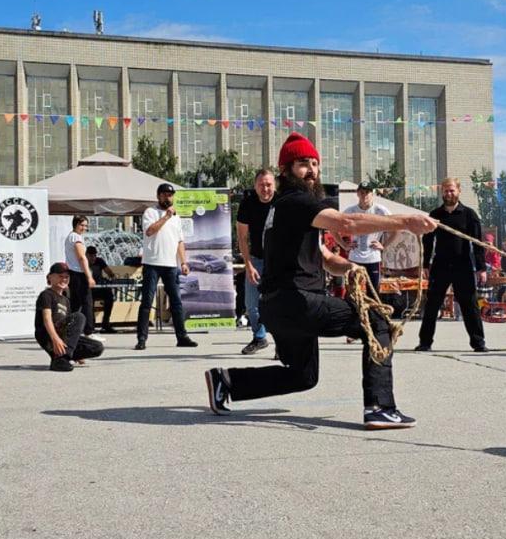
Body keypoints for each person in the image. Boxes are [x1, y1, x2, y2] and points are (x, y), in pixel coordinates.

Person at [203, 132, 437, 429]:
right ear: (286, 170)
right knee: (378, 321)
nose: (312, 170)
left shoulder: (285, 209)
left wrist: (350, 267)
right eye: (303, 163)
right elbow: (347, 222)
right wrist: (405, 222)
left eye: (315, 163)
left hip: (278, 307)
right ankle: (379, 407)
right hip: (296, 301)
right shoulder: (295, 200)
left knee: (303, 376)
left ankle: (227, 382)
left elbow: (324, 257)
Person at [415, 177, 489, 353]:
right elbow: (427, 241)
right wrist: (425, 265)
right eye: (446, 191)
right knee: (432, 305)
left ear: (459, 191)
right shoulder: (435, 215)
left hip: (462, 265)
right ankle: (425, 342)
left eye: (452, 190)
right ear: (442, 192)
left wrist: (481, 268)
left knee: (469, 305)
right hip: (440, 265)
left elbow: (478, 242)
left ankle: (478, 343)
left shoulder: (469, 215)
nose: (448, 194)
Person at [135, 183, 196, 350]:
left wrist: (183, 262)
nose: (168, 197)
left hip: (170, 264)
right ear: (158, 196)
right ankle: (142, 339)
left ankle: (182, 336)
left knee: (176, 302)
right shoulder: (150, 212)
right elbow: (149, 231)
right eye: (164, 194)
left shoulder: (176, 217)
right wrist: (166, 217)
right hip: (152, 263)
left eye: (170, 194)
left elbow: (179, 241)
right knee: (147, 301)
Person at [36, 262, 104, 372]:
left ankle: (63, 357)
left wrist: (77, 353)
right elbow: (47, 319)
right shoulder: (46, 295)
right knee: (79, 316)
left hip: (62, 335)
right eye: (60, 276)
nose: (63, 279)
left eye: (66, 277)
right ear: (50, 277)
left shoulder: (66, 300)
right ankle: (62, 359)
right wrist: (55, 339)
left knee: (97, 347)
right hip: (48, 335)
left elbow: (70, 326)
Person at [235, 168, 275, 355]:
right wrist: (248, 264)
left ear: (274, 185)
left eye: (268, 185)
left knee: (279, 303)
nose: (265, 189)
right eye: (262, 185)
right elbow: (242, 237)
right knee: (251, 303)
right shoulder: (247, 204)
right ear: (255, 186)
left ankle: (283, 344)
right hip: (257, 259)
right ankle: (259, 337)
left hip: (278, 260)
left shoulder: (282, 202)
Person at [339, 182, 394, 293]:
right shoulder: (350, 211)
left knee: (373, 291)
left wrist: (383, 245)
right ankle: (353, 310)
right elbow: (333, 228)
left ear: (372, 193)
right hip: (355, 256)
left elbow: (396, 229)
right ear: (357, 194)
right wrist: (344, 244)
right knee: (352, 292)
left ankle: (372, 310)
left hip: (373, 257)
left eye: (367, 192)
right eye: (362, 192)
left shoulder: (381, 210)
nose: (365, 195)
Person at [64, 215, 97, 337]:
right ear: (75, 224)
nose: (84, 228)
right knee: (87, 302)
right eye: (82, 225)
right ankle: (88, 331)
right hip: (79, 273)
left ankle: (69, 330)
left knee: (75, 304)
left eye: (86, 225)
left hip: (73, 273)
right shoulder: (76, 238)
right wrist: (89, 276)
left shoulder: (71, 237)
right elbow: (82, 258)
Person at [86, 246, 117, 333]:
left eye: (95, 255)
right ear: (86, 255)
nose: (93, 258)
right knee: (88, 302)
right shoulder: (83, 262)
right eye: (91, 256)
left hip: (99, 288)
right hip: (89, 289)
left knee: (109, 296)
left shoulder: (99, 261)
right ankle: (91, 325)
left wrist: (112, 277)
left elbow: (109, 272)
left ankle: (105, 323)